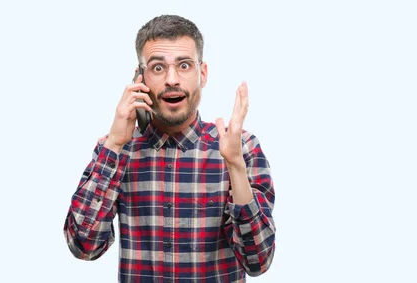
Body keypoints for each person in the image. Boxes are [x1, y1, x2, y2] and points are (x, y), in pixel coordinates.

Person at [63, 14, 276, 283]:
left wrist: (234, 164)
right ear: (140, 77)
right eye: (158, 68)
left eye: (184, 65)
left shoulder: (241, 148)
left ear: (203, 74)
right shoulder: (116, 151)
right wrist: (115, 144)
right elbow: (83, 246)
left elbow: (259, 261)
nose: (172, 79)